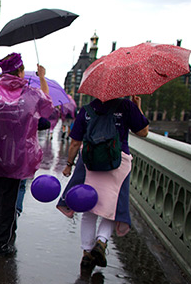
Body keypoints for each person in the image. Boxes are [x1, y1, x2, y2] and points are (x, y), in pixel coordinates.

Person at [0, 52, 53, 257]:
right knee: (8, 199)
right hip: (16, 157)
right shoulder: (30, 94)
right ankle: (2, 243)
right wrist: (42, 77)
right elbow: (47, 106)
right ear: (20, 71)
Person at [59, 95, 149, 270]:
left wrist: (69, 165)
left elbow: (75, 143)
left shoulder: (86, 110)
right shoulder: (126, 107)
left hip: (91, 161)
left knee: (88, 209)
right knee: (111, 208)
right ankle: (101, 241)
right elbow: (143, 132)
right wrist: (137, 107)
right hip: (118, 161)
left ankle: (86, 254)